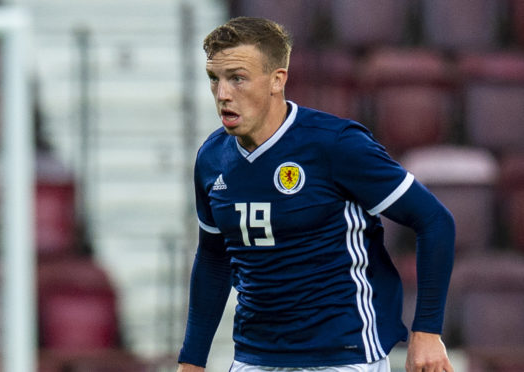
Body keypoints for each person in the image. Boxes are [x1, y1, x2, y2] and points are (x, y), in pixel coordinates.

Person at [177, 17, 455, 372]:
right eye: (214, 79)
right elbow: (214, 258)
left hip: (344, 354)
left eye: (238, 78)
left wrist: (427, 331)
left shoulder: (334, 144)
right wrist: (192, 360)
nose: (223, 94)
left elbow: (434, 221)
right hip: (254, 356)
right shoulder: (212, 158)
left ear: (277, 80)